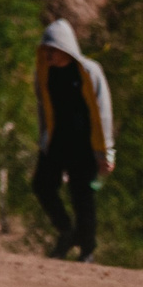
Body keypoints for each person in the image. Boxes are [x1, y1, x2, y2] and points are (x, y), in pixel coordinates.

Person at [33, 19, 115, 263]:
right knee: (42, 185)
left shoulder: (89, 71)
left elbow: (103, 113)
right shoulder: (45, 74)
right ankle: (66, 232)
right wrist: (44, 139)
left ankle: (87, 249)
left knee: (82, 197)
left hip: (85, 146)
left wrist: (105, 152)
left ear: (65, 47)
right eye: (45, 49)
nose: (48, 54)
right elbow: (43, 109)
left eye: (52, 49)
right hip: (56, 142)